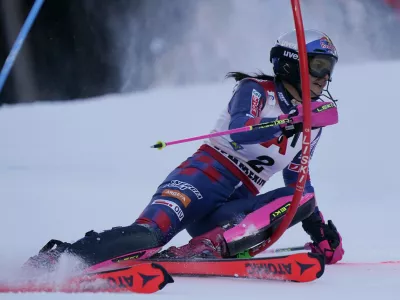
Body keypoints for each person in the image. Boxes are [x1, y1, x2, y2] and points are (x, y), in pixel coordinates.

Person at [26, 29, 344, 272]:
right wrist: (288, 123)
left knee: (303, 196)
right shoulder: (256, 91)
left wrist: (318, 230)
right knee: (147, 238)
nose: (325, 77)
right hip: (201, 178)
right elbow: (242, 132)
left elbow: (297, 179)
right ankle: (61, 260)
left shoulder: (311, 124)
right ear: (291, 63)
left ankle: (207, 248)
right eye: (318, 65)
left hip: (232, 208)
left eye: (329, 68)